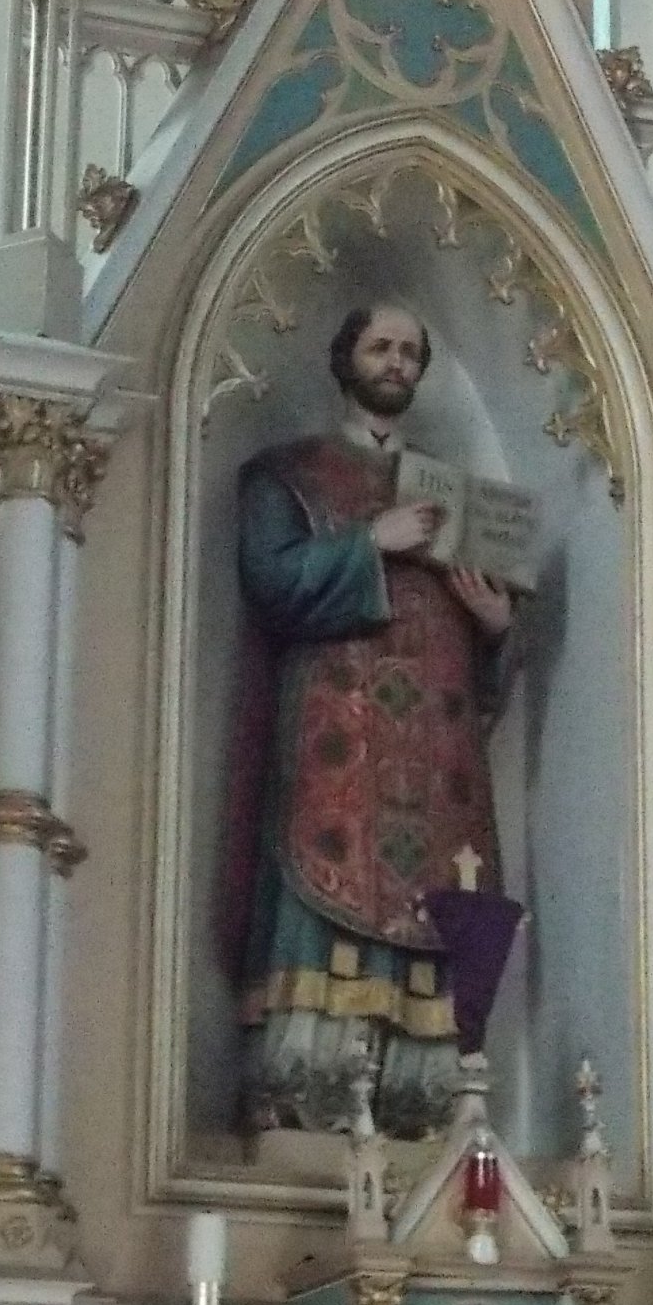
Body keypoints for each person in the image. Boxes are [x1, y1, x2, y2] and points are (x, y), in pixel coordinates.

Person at [227, 305, 517, 1138]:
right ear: (344, 357)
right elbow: (271, 585)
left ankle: (416, 1103)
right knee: (331, 886)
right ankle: (311, 1097)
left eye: (410, 353)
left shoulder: (457, 496)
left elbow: (492, 653)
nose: (395, 363)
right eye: (380, 347)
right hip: (337, 744)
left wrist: (496, 626)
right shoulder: (288, 474)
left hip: (437, 757)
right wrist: (369, 543)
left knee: (434, 909)